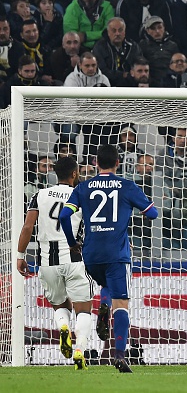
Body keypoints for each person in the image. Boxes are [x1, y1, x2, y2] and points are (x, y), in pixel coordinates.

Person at [59, 144, 158, 373]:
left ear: (95, 163)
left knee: (105, 285)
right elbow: (152, 214)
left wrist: (72, 242)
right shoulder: (127, 186)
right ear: (118, 163)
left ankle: (103, 303)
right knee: (121, 303)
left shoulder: (83, 187)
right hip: (116, 253)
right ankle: (121, 355)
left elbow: (65, 215)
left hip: (91, 254)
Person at [16, 157, 93, 370]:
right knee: (84, 308)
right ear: (75, 174)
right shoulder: (81, 195)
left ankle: (64, 327)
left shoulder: (39, 195)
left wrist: (21, 255)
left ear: (54, 173)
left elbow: (27, 227)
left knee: (60, 304)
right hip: (74, 258)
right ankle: (80, 350)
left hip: (47, 262)